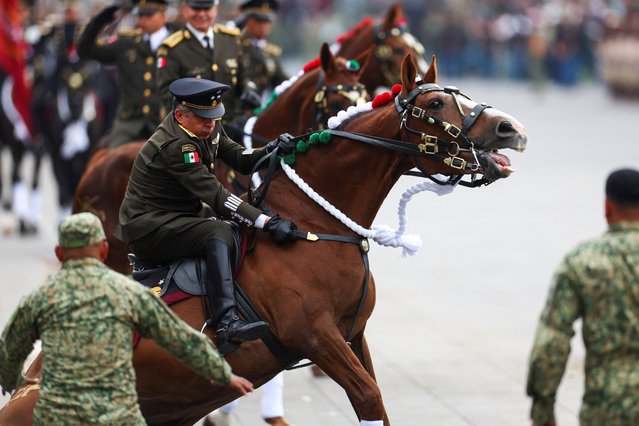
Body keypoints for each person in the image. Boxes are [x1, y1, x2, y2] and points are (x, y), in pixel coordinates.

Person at [0, 212, 254, 424]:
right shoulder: (129, 292)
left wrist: (9, 378)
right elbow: (181, 338)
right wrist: (223, 374)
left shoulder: (42, 298)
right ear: (102, 250)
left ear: (59, 253)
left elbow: (10, 347)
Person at [114, 77, 297, 355]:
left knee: (231, 228)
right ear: (180, 115)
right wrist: (266, 222)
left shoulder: (204, 127)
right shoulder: (177, 146)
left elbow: (239, 156)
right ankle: (226, 322)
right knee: (219, 232)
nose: (211, 124)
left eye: (214, 116)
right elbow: (217, 196)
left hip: (179, 216)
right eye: (203, 118)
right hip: (149, 226)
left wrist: (272, 150)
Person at [526, 168, 639, 426]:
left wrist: (543, 408)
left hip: (608, 408)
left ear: (607, 207)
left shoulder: (583, 260)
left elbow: (552, 340)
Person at [155, 0, 262, 138]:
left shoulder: (230, 39)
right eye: (196, 9)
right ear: (185, 9)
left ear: (216, 9)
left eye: (207, 9)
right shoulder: (172, 48)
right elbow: (167, 94)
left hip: (233, 129)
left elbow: (244, 76)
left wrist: (249, 89)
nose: (202, 14)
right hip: (192, 132)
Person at [76, 1, 172, 148]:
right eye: (140, 15)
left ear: (163, 16)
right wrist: (99, 21)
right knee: (111, 162)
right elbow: (85, 51)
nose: (142, 20)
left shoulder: (176, 44)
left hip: (165, 123)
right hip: (129, 124)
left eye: (149, 15)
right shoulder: (126, 43)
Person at [236, 0, 287, 100]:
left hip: (259, 109)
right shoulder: (236, 45)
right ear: (248, 20)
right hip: (235, 109)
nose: (263, 26)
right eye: (259, 20)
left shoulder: (271, 53)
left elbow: (281, 83)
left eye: (267, 21)